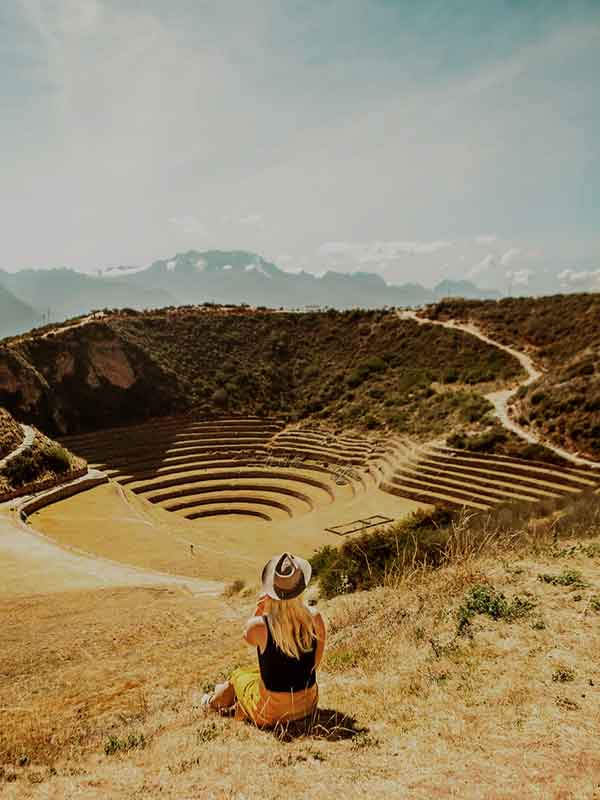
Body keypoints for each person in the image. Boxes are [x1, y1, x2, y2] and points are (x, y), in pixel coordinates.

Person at [201, 552, 326, 727]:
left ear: (272, 591)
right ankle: (237, 707)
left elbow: (246, 635)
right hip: (308, 705)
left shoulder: (261, 626)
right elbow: (315, 664)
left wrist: (260, 608)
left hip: (271, 712)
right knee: (253, 673)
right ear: (300, 587)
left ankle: (211, 703)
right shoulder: (315, 617)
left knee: (237, 676)